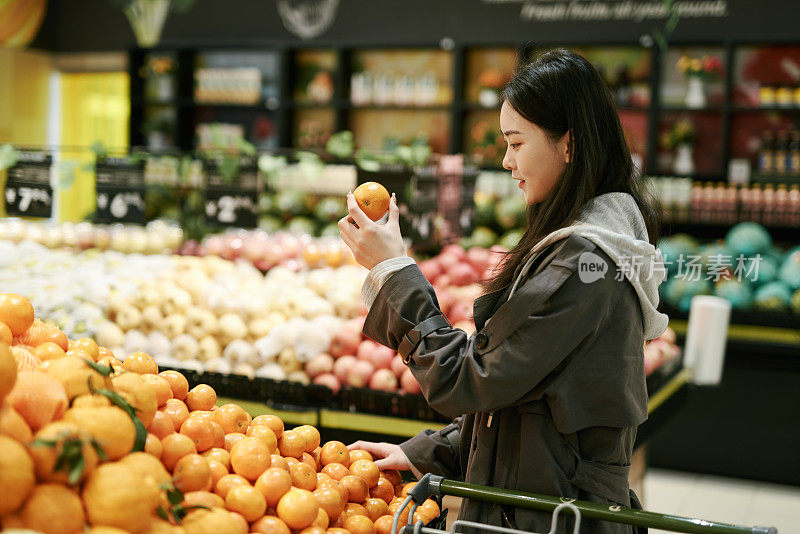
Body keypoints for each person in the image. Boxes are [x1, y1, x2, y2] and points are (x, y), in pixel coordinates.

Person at [337, 48, 667, 534]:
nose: (508, 162)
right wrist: (423, 453)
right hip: (543, 502)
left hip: (554, 517)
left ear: (569, 144)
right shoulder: (591, 240)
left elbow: (471, 380)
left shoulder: (583, 263)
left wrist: (393, 268)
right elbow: (519, 399)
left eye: (516, 143)